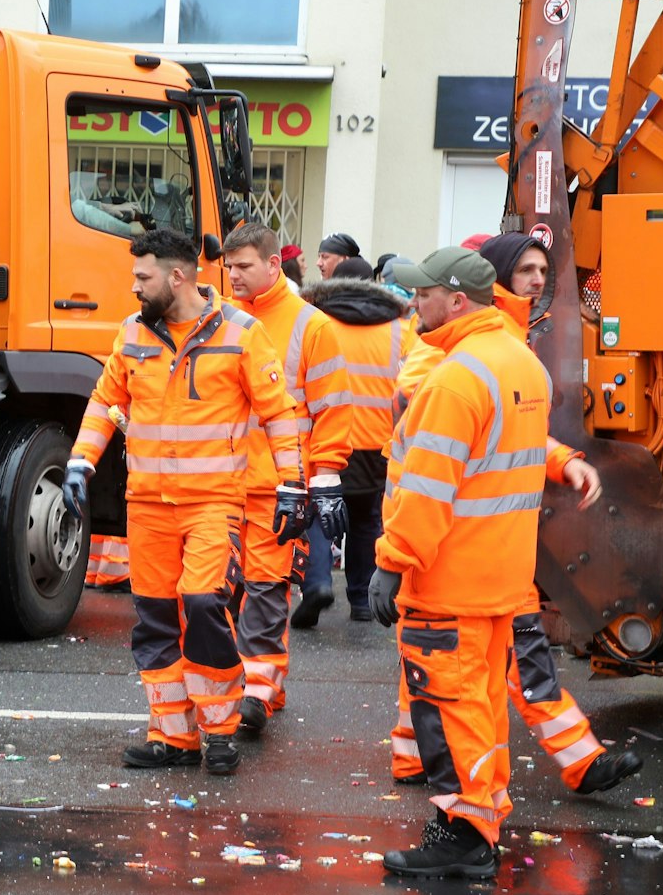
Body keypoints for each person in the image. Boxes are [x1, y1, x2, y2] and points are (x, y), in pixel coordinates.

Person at [385, 232, 641, 797]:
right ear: (494, 281)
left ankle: (431, 767)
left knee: (448, 665)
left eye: (542, 269)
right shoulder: (460, 349)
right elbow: (453, 438)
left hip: (474, 547)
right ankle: (540, 769)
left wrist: (561, 460)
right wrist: (396, 554)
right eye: (525, 269)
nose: (537, 279)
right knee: (461, 666)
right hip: (456, 545)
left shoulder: (496, 347)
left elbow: (498, 431)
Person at [65, 227, 307, 776]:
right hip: (148, 505)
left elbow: (277, 412)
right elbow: (105, 400)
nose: (133, 287)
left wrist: (293, 485)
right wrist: (81, 461)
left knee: (202, 604)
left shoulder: (242, 333)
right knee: (155, 619)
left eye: (142, 277)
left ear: (176, 277)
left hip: (213, 504)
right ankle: (172, 736)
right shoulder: (132, 332)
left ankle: (218, 730)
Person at [371, 246, 550, 878]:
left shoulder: (455, 378)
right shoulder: (522, 363)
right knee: (482, 705)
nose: (413, 303)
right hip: (500, 576)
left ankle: (464, 833)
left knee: (448, 704)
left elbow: (427, 489)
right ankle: (482, 816)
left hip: (449, 577)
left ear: (455, 301)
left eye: (423, 294)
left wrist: (392, 561)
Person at [221, 222, 353, 727]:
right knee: (219, 593)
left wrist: (325, 480)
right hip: (223, 483)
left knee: (265, 589)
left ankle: (257, 693)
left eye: (244, 266)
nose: (234, 275)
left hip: (280, 486)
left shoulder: (310, 326)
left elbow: (332, 410)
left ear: (273, 264)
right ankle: (241, 687)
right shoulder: (222, 319)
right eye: (229, 267)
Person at [303, 257, 413, 623]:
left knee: (319, 513)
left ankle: (317, 583)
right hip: (379, 444)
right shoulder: (401, 329)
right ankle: (363, 600)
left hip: (328, 436)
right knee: (367, 521)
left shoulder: (315, 323)